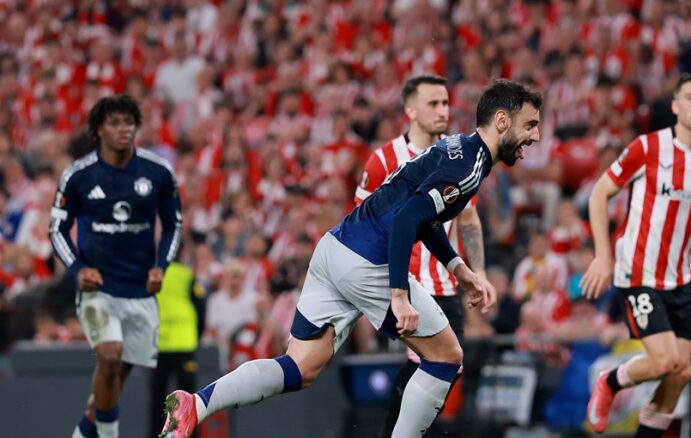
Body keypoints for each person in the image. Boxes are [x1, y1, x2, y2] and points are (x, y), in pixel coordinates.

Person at [160, 79, 542, 438]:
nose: (535, 136)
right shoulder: (469, 166)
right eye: (530, 125)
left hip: (335, 249)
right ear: (502, 120)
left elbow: (422, 217)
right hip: (368, 261)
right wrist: (398, 293)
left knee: (299, 366)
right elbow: (409, 219)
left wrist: (458, 268)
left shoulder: (455, 146)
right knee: (446, 357)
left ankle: (197, 404)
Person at [581, 74, 691, 437]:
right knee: (666, 361)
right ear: (676, 106)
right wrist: (602, 255)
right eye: (690, 97)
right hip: (639, 274)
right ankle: (611, 380)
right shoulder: (648, 148)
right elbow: (599, 194)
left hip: (681, 278)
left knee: (681, 373)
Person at [353, 75, 490, 438]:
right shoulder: (383, 160)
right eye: (433, 104)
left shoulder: (458, 154)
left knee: (449, 368)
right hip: (405, 283)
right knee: (430, 363)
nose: (443, 111)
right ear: (410, 110)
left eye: (446, 103)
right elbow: (362, 221)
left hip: (444, 280)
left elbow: (469, 218)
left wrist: (480, 272)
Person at [50, 94, 183, 438]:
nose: (124, 129)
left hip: (140, 291)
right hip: (98, 290)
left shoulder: (158, 172)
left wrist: (161, 267)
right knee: (109, 356)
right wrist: (79, 269)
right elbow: (57, 229)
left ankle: (84, 433)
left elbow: (173, 225)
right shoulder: (78, 175)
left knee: (110, 385)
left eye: (129, 122)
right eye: (115, 122)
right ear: (98, 129)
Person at [148, 258, 205, 437]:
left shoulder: (150, 275)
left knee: (157, 401)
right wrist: (197, 335)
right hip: (184, 345)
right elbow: (201, 306)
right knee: (189, 400)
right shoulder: (186, 275)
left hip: (158, 345)